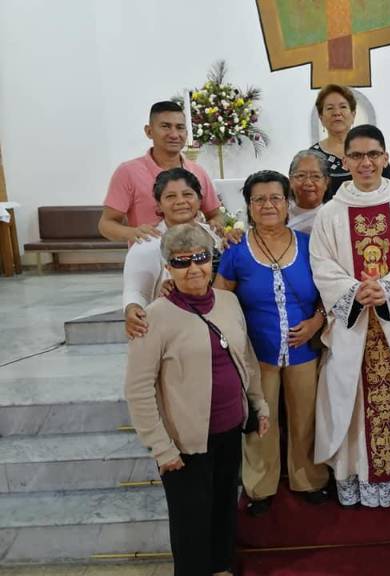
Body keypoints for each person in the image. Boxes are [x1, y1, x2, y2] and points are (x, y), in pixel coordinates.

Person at [124, 223, 269, 576]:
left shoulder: (229, 302)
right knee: (190, 524)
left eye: (201, 258)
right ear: (168, 268)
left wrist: (258, 404)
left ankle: (221, 567)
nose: (193, 268)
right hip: (184, 444)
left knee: (224, 508)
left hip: (229, 429)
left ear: (211, 261)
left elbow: (246, 358)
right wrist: (161, 448)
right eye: (181, 261)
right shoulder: (154, 317)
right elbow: (138, 389)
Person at [310, 124, 390, 507]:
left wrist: (388, 290)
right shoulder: (330, 213)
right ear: (345, 161)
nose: (365, 162)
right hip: (353, 327)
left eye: (373, 155)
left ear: (385, 158)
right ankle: (358, 476)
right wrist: (354, 292)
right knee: (352, 397)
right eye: (356, 156)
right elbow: (322, 265)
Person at [214, 170, 329, 514]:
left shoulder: (309, 245)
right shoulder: (236, 251)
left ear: (288, 202)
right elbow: (220, 301)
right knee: (260, 422)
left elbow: (329, 292)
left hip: (303, 349)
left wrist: (316, 323)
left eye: (275, 198)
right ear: (249, 206)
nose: (268, 205)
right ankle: (260, 486)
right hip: (257, 353)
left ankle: (308, 478)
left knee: (305, 418)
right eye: (259, 199)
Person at [100, 100, 223, 244]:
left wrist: (215, 224)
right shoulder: (128, 172)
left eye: (180, 127)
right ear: (149, 131)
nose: (174, 134)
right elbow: (106, 224)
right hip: (148, 253)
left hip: (194, 254)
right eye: (165, 126)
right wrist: (132, 233)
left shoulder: (197, 172)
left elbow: (215, 214)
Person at [122, 168, 221, 339]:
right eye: (170, 196)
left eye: (187, 194)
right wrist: (133, 309)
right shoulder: (147, 244)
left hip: (217, 324)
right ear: (159, 205)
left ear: (199, 200)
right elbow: (135, 291)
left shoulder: (214, 236)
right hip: (170, 331)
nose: (180, 201)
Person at [311, 84, 390, 201]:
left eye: (343, 107)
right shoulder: (313, 157)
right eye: (330, 108)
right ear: (321, 118)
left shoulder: (372, 149)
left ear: (353, 114)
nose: (337, 113)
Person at [287, 149, 331, 234]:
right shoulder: (278, 212)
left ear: (326, 182)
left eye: (316, 176)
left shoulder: (333, 217)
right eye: (301, 175)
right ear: (291, 180)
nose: (308, 183)